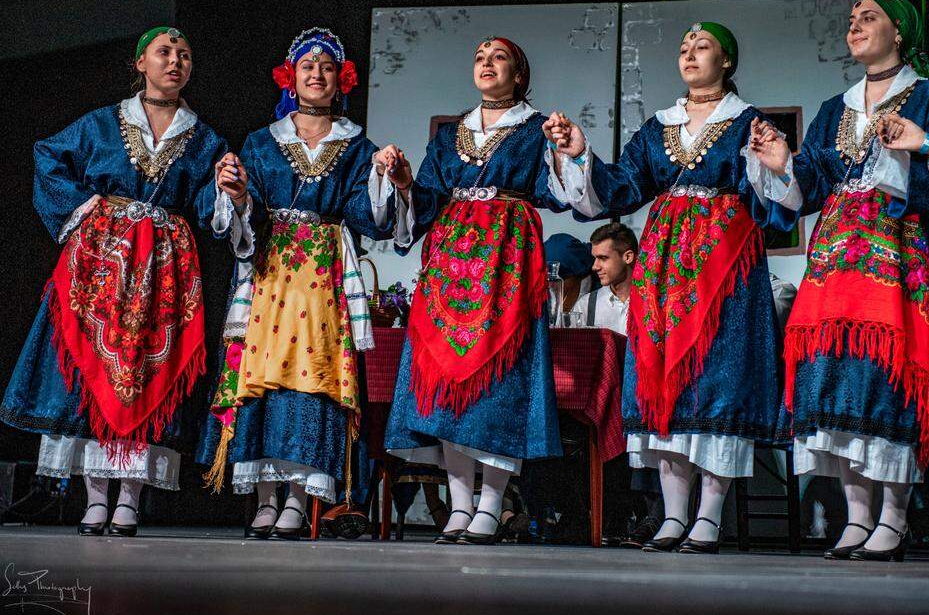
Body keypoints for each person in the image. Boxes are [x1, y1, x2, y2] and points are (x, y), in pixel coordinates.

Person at [750, 0, 929, 561]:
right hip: (833, 253)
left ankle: (895, 518)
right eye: (851, 19)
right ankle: (857, 516)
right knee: (831, 369)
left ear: (898, 33)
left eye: (868, 17)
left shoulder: (926, 98)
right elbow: (814, 177)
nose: (855, 25)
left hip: (891, 247)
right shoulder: (836, 107)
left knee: (886, 371)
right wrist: (782, 162)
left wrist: (922, 143)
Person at [547, 21, 790, 553]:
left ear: (726, 61)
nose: (689, 53)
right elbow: (620, 189)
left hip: (723, 266)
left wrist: (769, 159)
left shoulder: (747, 122)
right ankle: (674, 515)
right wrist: (580, 153)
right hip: (662, 267)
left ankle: (709, 515)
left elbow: (774, 197)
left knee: (716, 377)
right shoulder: (660, 126)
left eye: (701, 46)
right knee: (664, 378)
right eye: (683, 47)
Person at [0, 26, 229, 537]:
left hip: (162, 270)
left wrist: (227, 191)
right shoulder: (103, 124)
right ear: (140, 63)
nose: (176, 62)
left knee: (148, 370)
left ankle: (130, 498)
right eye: (165, 53)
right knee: (90, 371)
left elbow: (213, 208)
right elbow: (47, 156)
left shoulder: (206, 138)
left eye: (185, 55)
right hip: (100, 263)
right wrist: (87, 213)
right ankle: (94, 497)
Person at [197, 27, 408, 540]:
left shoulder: (358, 145)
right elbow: (247, 211)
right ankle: (265, 499)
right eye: (307, 66)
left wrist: (385, 178)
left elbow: (367, 215)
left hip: (323, 281)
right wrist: (239, 193)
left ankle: (297, 499)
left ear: (342, 80)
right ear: (291, 77)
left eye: (327, 66)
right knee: (263, 378)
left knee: (313, 381)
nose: (316, 74)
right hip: (271, 275)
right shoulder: (261, 141)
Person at [384, 36, 568, 545]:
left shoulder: (535, 130)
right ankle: (460, 505)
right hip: (449, 261)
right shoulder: (449, 134)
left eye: (499, 57)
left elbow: (561, 192)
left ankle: (492, 503)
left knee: (497, 382)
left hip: (506, 256)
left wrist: (565, 150)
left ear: (519, 74)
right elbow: (424, 198)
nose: (487, 64)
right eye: (480, 57)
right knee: (447, 382)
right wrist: (402, 180)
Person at [571, 223, 636, 334]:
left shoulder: (651, 303)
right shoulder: (585, 306)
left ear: (628, 257)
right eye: (595, 258)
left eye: (603, 258)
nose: (595, 266)